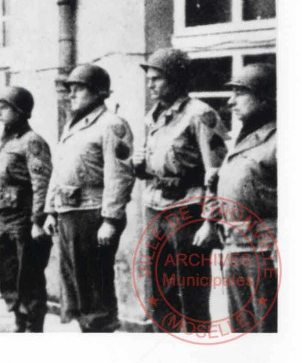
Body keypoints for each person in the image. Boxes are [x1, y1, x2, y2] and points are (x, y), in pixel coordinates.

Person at [135, 48, 226, 333]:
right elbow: (157, 164)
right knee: (158, 285)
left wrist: (210, 221)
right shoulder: (154, 116)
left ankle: (195, 346)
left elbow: (216, 173)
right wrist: (140, 165)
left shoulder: (200, 114)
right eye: (149, 78)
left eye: (157, 79)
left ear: (176, 79)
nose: (150, 84)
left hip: (187, 209)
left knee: (191, 286)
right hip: (155, 206)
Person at [43, 64, 134, 332]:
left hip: (93, 215)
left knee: (96, 289)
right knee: (77, 287)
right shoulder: (74, 125)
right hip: (69, 213)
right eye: (70, 88)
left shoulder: (112, 125)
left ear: (98, 92)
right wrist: (51, 210)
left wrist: (110, 219)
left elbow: (120, 175)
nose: (72, 94)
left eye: (79, 88)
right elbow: (59, 170)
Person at [195, 63, 276, 333]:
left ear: (266, 96)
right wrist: (210, 220)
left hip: (266, 253)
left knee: (269, 330)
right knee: (243, 332)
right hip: (235, 248)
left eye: (240, 93)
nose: (230, 102)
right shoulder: (244, 138)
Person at [0, 86, 53, 332]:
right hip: (3, 216)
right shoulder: (6, 142)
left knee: (29, 277)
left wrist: (38, 221)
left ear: (20, 111)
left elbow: (41, 183)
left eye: (4, 108)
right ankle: (18, 320)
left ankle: (33, 327)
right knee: (7, 275)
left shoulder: (32, 141)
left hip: (23, 219)